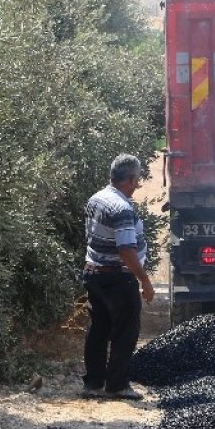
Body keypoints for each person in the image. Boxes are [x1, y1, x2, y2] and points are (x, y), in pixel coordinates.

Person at [81, 154, 155, 400]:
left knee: (98, 328)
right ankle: (117, 385)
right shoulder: (121, 208)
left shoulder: (96, 198)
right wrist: (144, 280)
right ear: (131, 179)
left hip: (94, 273)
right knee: (126, 330)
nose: (137, 185)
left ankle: (93, 383)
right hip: (117, 278)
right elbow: (126, 250)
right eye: (137, 180)